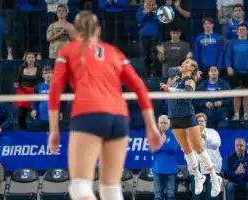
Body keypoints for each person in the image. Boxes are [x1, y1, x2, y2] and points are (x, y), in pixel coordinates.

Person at [48, 11, 162, 200]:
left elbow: (55, 91)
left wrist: (54, 130)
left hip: (87, 114)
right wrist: (152, 126)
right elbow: (140, 87)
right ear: (98, 31)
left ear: (75, 31)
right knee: (111, 190)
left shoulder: (68, 50)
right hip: (119, 118)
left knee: (80, 188)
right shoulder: (113, 52)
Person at [160, 58, 222, 198]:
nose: (183, 63)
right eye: (183, 62)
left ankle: (214, 177)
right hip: (174, 118)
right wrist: (184, 67)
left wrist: (169, 89)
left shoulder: (190, 81)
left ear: (192, 69)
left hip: (187, 116)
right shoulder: (176, 78)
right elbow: (171, 69)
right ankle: (198, 176)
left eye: (187, 63)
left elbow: (185, 93)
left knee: (198, 148)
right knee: (187, 151)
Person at [190, 113, 222, 200]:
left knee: (213, 197)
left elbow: (216, 144)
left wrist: (205, 137)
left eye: (202, 121)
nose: (200, 123)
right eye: (197, 121)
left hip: (212, 170)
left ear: (205, 122)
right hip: (197, 171)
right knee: (197, 197)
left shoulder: (212, 132)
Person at [153, 115, 179, 200]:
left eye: (165, 123)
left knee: (171, 195)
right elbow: (152, 149)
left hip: (171, 170)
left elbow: (174, 149)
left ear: (169, 124)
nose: (163, 125)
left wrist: (163, 143)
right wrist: (162, 143)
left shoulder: (174, 134)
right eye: (161, 123)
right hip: (157, 170)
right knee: (158, 196)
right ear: (158, 124)